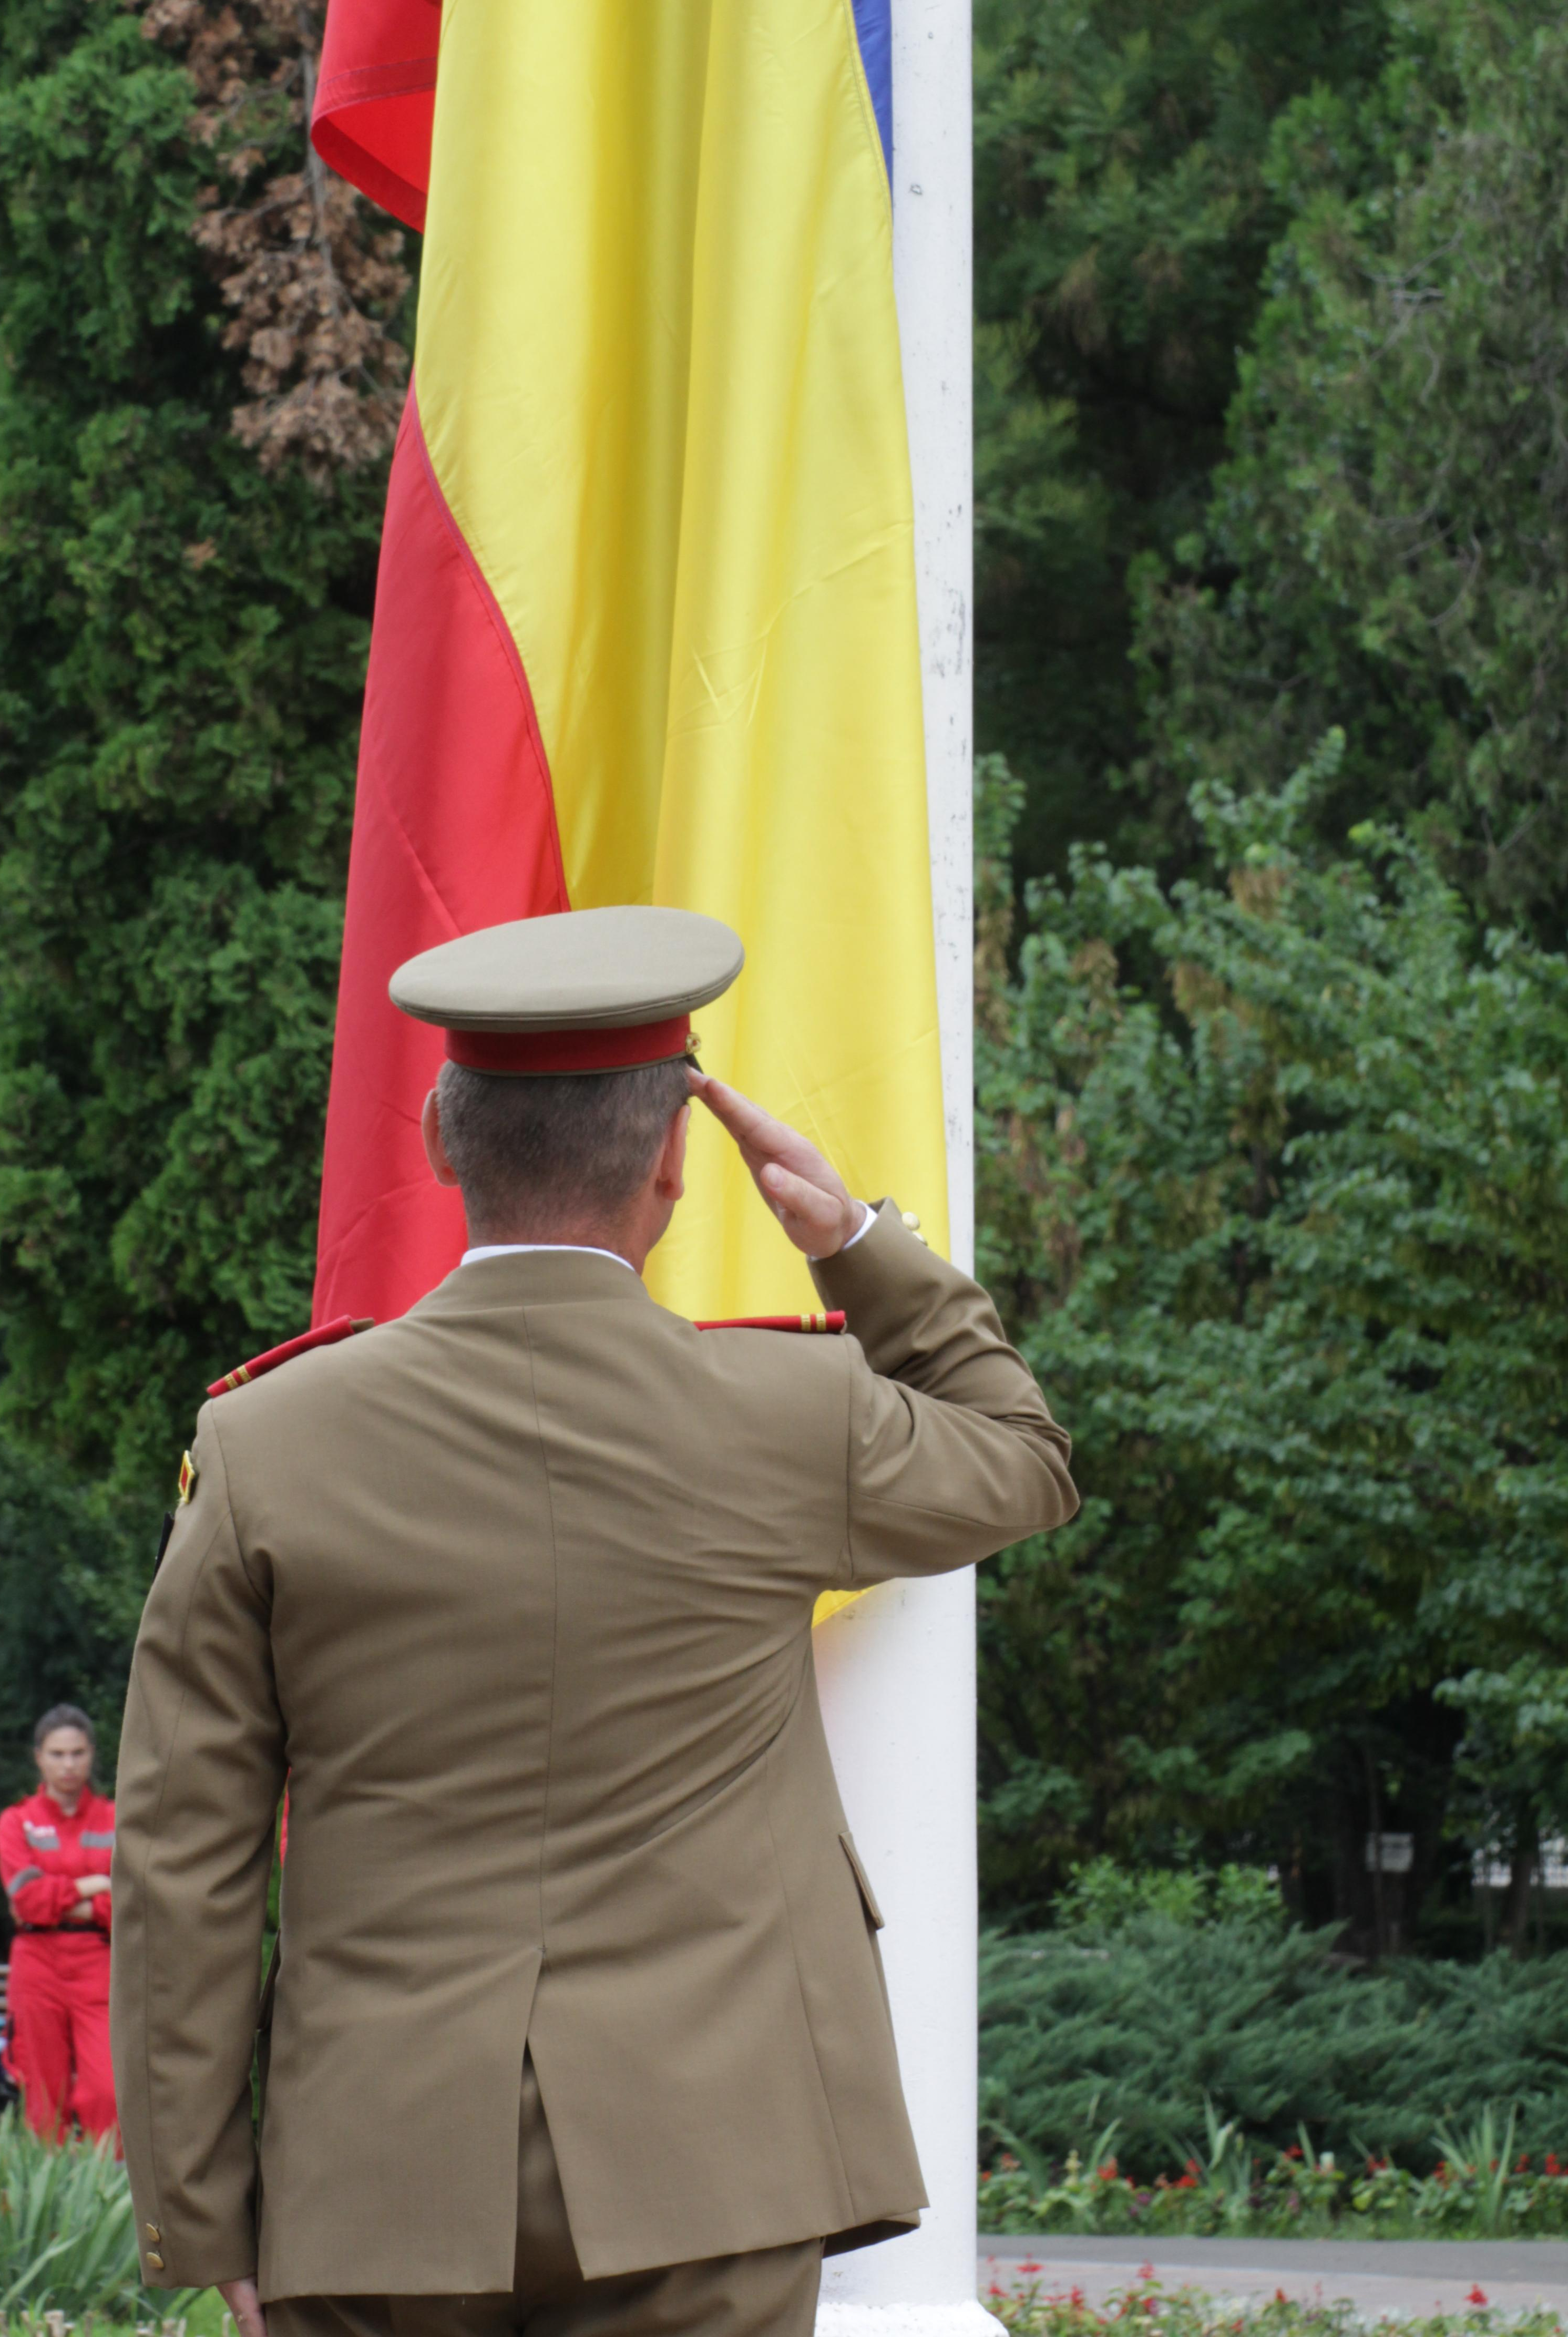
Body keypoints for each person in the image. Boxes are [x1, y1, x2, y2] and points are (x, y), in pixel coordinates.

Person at [112, 905, 1078, 2337]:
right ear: (676, 1160)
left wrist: (199, 2209)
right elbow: (1023, 1455)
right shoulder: (790, 1417)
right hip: (711, 2166)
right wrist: (854, 1241)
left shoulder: (266, 1443)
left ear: (442, 1141)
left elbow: (181, 1859)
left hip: (376, 2178)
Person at [0, 1704, 117, 2142]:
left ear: (92, 1755)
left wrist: (69, 1903)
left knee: (109, 2090)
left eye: (78, 1753)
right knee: (44, 2098)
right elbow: (27, 1902)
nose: (68, 1765)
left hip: (98, 1961)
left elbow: (133, 1904)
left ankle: (110, 2182)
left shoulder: (117, 1819)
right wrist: (94, 1885)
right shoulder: (17, 1822)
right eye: (58, 1754)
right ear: (39, 1758)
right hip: (37, 1964)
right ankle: (51, 2186)